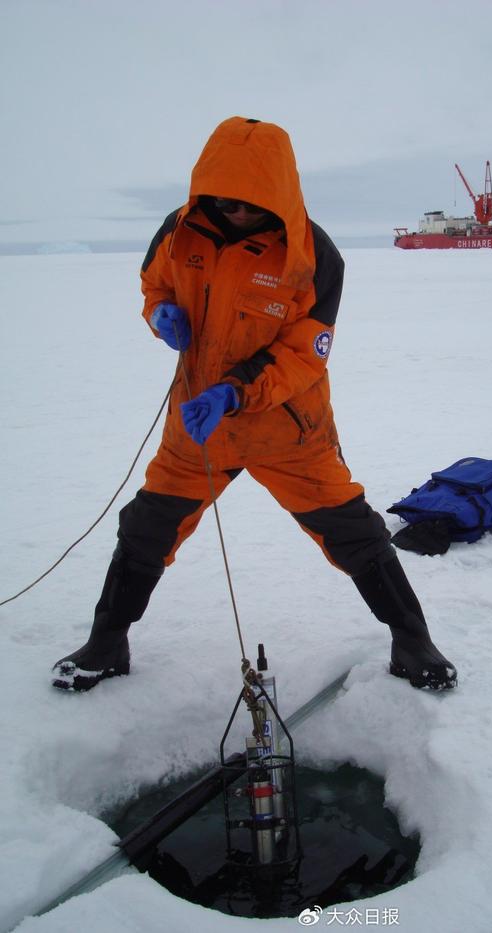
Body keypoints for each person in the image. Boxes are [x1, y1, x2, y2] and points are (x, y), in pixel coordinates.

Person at [51, 117, 457, 693]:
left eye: (248, 205)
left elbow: (303, 353)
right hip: (196, 425)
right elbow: (155, 285)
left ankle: (413, 639)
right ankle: (107, 640)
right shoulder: (179, 230)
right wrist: (161, 314)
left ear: (276, 193)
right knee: (147, 527)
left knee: (351, 530)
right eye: (222, 201)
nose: (233, 213)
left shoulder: (314, 255)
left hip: (287, 429)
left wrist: (235, 391)